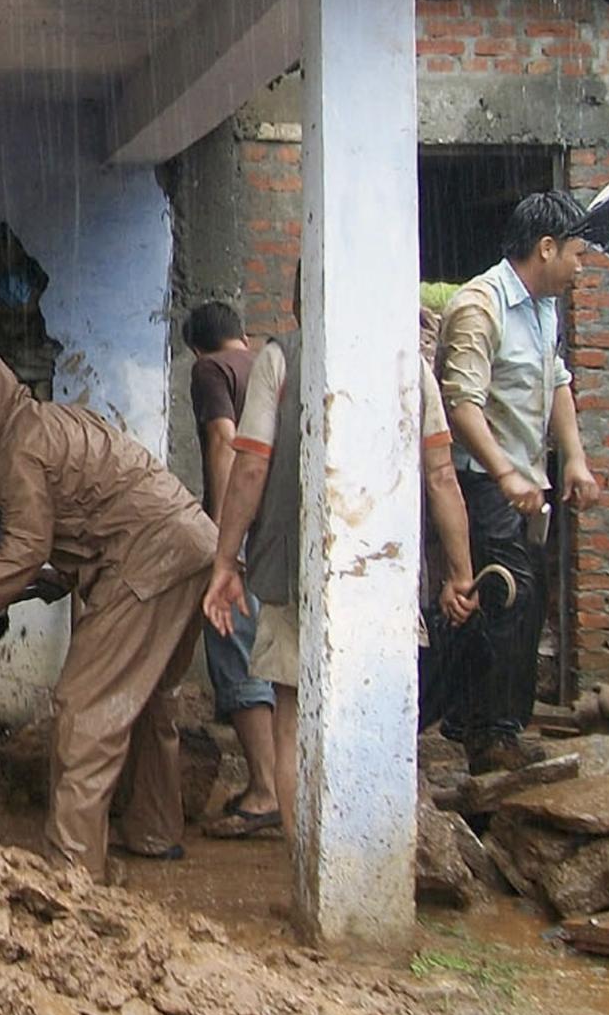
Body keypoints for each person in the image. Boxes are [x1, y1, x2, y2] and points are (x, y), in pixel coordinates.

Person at [0, 345, 213, 881]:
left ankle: (73, 869)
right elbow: (83, 518)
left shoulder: (19, 449)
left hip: (145, 561)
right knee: (143, 699)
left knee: (83, 706)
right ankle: (153, 827)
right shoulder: (52, 419)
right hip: (190, 546)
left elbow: (24, 547)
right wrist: (53, 579)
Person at [201, 294, 478, 842]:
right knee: (375, 717)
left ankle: (306, 868)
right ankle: (369, 863)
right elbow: (441, 475)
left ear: (300, 301)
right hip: (384, 575)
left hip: (293, 572)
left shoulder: (281, 360)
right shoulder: (410, 365)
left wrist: (226, 561)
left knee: (293, 719)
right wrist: (460, 573)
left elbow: (251, 466)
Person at [437, 192, 600, 773]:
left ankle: (492, 723)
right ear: (546, 248)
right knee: (506, 596)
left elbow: (556, 381)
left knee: (524, 605)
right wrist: (504, 472)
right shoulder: (481, 306)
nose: (581, 267)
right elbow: (460, 405)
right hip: (479, 479)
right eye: (577, 254)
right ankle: (485, 734)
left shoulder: (542, 307)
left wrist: (574, 459)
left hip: (525, 481)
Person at [180, 301, 279, 838]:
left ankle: (264, 791)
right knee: (275, 657)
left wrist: (224, 538)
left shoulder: (209, 371)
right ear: (242, 333)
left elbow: (224, 440)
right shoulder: (270, 365)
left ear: (197, 347)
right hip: (285, 534)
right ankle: (283, 784)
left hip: (246, 531)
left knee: (235, 646)